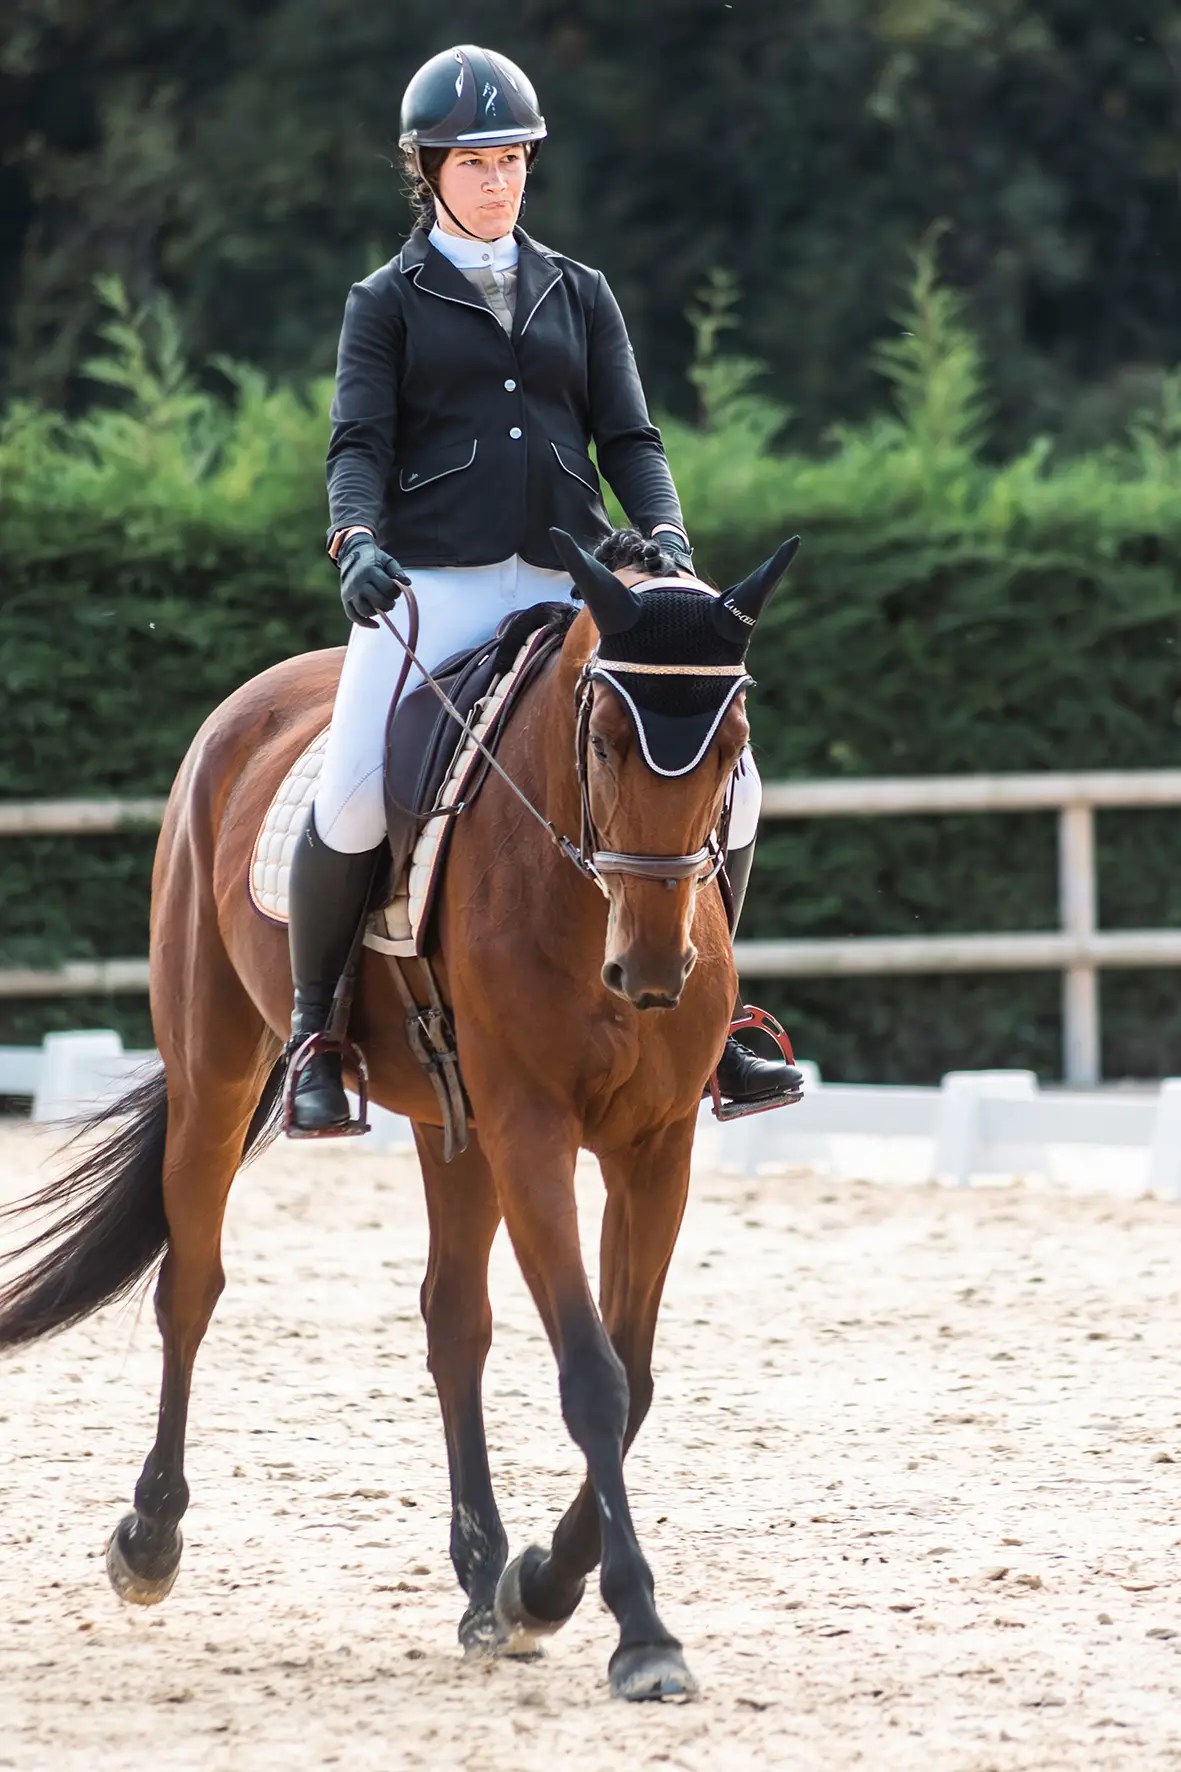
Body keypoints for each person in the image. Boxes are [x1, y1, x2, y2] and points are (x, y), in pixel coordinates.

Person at [287, 42, 800, 1132]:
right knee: (353, 790)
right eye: (475, 163)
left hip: (575, 585)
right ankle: (314, 1033)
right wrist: (355, 538)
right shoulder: (385, 301)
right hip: (437, 582)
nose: (498, 181)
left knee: (737, 778)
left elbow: (630, 437)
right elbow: (357, 444)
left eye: (513, 160)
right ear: (429, 171)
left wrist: (666, 535)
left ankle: (716, 1024)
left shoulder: (580, 290)